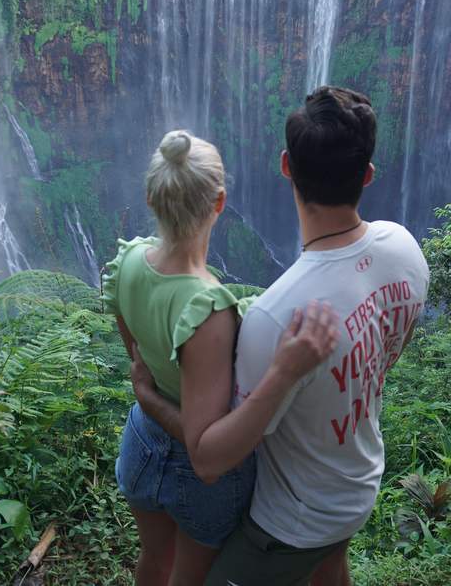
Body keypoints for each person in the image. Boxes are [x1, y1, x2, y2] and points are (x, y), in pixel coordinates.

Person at [131, 87, 430, 586]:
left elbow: (209, 460)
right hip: (358, 477)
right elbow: (381, 353)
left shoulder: (277, 318)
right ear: (368, 175)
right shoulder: (405, 249)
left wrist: (151, 400)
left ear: (287, 166)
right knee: (331, 567)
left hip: (295, 518)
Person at [104, 129, 340, 586]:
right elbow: (201, 446)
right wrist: (285, 370)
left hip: (140, 445)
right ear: (219, 202)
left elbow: (138, 358)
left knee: (153, 560)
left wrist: (149, 400)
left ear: (151, 199)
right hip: (197, 479)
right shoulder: (208, 311)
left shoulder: (128, 261)